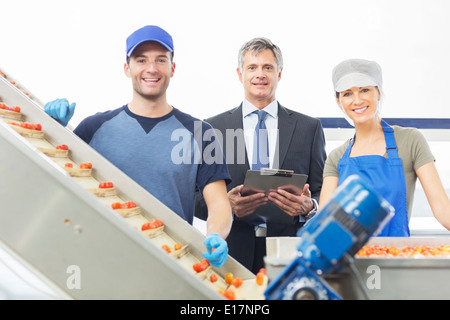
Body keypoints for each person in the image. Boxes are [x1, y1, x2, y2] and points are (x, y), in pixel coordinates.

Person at [44, 25, 232, 267]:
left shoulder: (201, 133)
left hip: (172, 263)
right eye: (141, 60)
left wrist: (215, 235)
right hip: (100, 258)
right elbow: (56, 181)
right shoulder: (93, 128)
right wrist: (52, 132)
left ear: (172, 68)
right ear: (127, 68)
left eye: (160, 60)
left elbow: (218, 204)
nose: (151, 69)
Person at [195, 37, 326, 273]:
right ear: (239, 74)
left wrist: (310, 206)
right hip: (232, 251)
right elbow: (194, 197)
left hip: (290, 251)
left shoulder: (309, 128)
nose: (260, 74)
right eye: (252, 67)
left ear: (279, 73)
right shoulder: (212, 129)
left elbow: (322, 190)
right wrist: (226, 205)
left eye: (268, 67)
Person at [319, 58, 450, 236]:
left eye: (365, 90)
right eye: (347, 93)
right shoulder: (337, 157)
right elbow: (324, 225)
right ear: (339, 101)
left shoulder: (410, 140)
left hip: (395, 258)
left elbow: (443, 210)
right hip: (349, 261)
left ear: (378, 93)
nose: (357, 100)